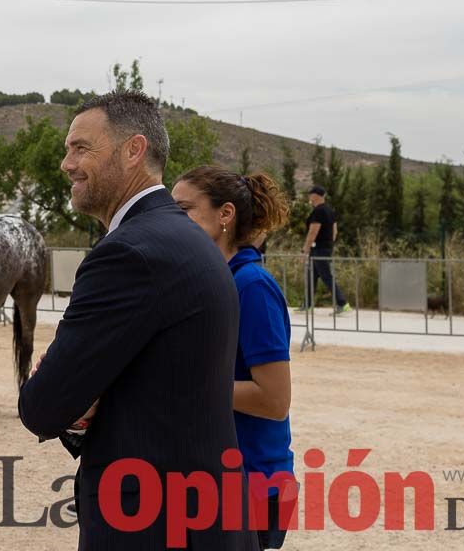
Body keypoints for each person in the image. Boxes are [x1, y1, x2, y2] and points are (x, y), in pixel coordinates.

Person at [18, 91, 256, 550]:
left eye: (81, 147)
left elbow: (43, 406)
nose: (67, 163)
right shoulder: (188, 239)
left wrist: (65, 395)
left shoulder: (128, 253)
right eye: (68, 149)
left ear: (133, 151)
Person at [172, 167, 295, 549]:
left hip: (254, 483)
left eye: (184, 209)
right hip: (210, 478)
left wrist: (189, 388)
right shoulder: (211, 280)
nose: (174, 221)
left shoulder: (252, 286)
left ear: (225, 214)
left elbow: (275, 401)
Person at [303, 185, 350, 315]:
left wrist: (305, 250)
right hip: (325, 247)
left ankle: (342, 303)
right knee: (311, 276)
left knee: (326, 276)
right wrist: (329, 243)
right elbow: (334, 231)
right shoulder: (329, 210)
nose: (309, 197)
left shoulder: (318, 211)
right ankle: (307, 305)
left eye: (310, 194)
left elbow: (313, 232)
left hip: (318, 249)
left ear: (315, 195)